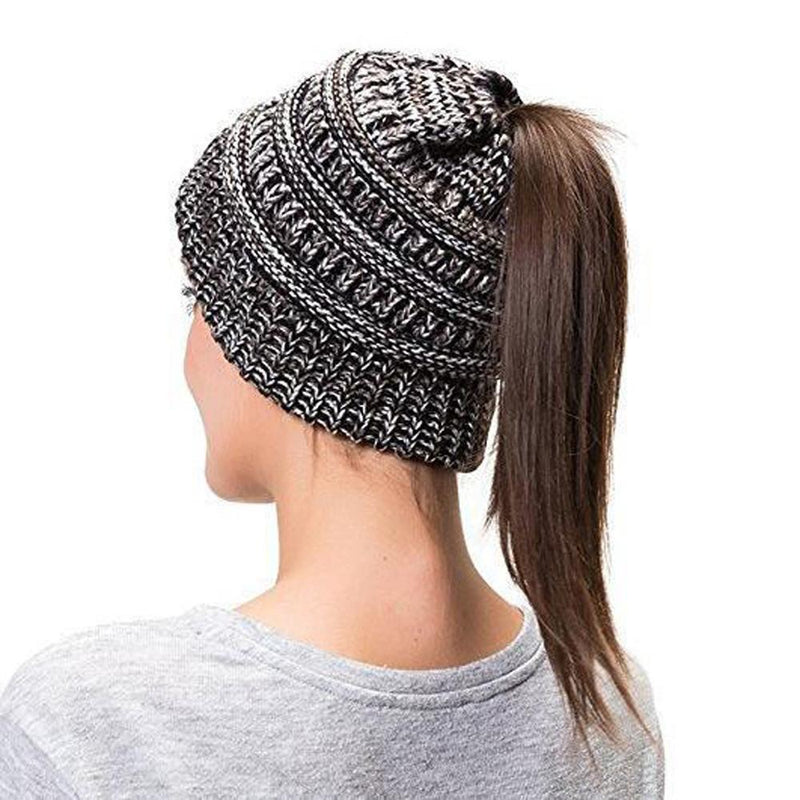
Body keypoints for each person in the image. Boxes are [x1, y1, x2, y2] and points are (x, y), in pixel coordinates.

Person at [0, 48, 664, 798]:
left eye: (200, 296)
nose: (190, 352)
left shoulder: (97, 727)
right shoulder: (608, 714)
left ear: (284, 337)